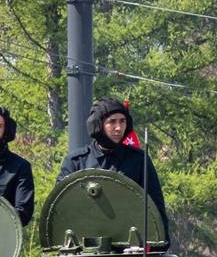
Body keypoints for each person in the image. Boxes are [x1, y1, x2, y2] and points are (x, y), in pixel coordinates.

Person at [60, 97, 168, 232]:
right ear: (99, 124)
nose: (118, 128)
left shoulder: (138, 160)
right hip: (86, 240)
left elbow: (155, 205)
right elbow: (62, 205)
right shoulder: (77, 161)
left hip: (129, 241)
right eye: (112, 122)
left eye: (122, 121)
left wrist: (160, 243)